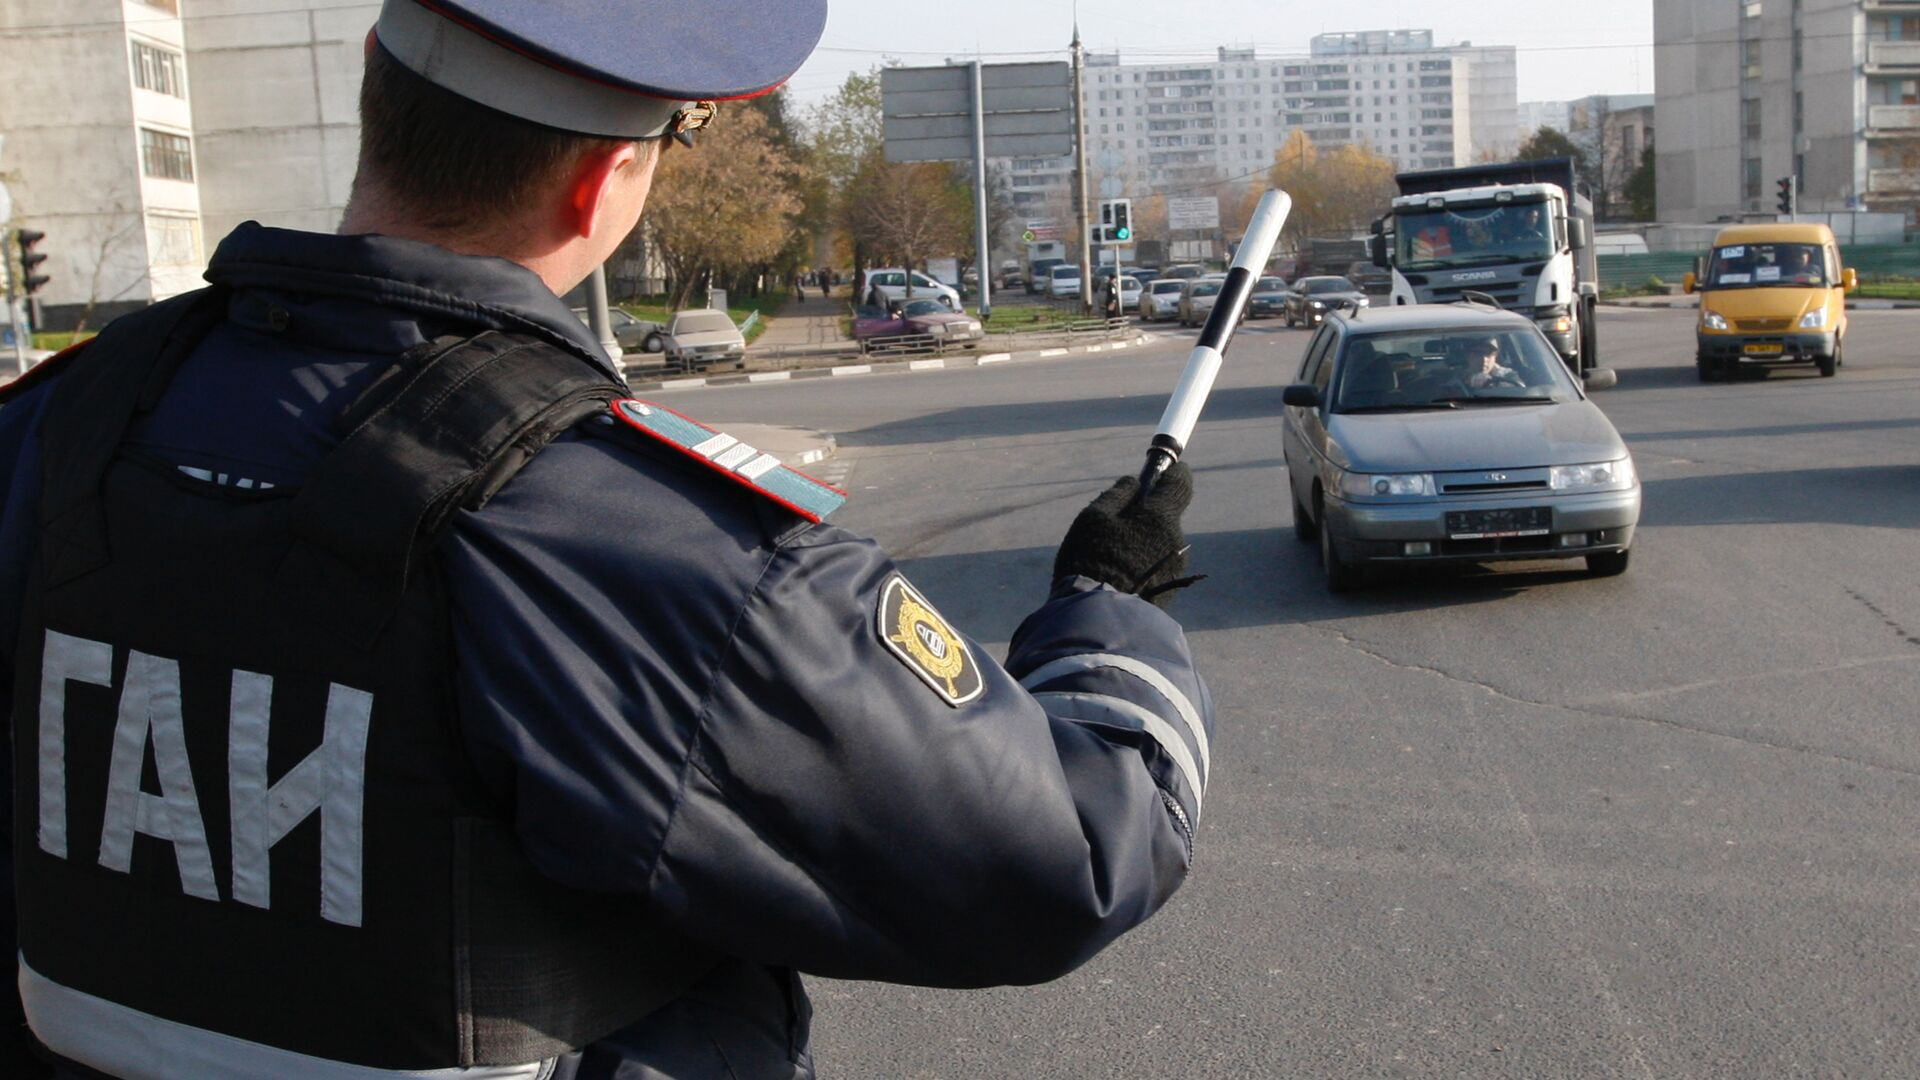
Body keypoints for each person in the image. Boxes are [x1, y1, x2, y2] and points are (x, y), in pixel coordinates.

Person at [0, 2, 1212, 1078]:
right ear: (603, 183)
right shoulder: (650, 544)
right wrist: (1113, 608)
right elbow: (1068, 856)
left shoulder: (63, 426)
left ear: (377, 73)